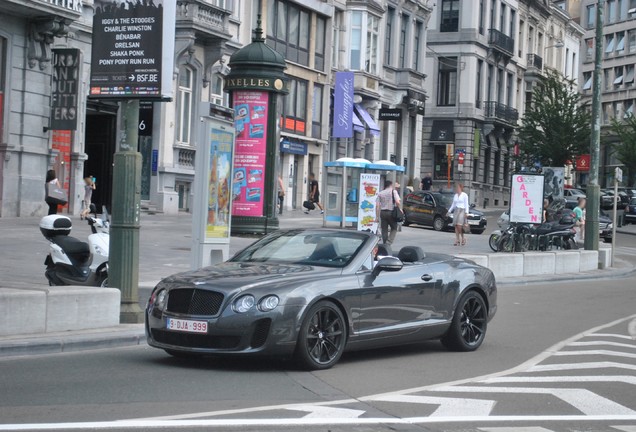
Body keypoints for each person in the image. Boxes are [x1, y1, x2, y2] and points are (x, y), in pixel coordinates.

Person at [376, 180, 401, 245]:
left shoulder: (380, 193)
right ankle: (388, 242)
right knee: (394, 228)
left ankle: (385, 244)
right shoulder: (393, 191)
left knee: (384, 229)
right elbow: (398, 202)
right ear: (391, 185)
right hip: (391, 212)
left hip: (383, 212)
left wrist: (377, 217)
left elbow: (377, 206)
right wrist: (400, 209)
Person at [447, 182, 470, 246]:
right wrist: (449, 211)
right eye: (456, 188)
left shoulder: (464, 195)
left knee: (459, 225)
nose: (457, 189)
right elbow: (453, 204)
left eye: (458, 188)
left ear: (460, 188)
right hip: (456, 210)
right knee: (456, 225)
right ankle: (457, 239)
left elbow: (466, 204)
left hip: (462, 210)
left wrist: (466, 213)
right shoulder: (455, 195)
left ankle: (463, 238)